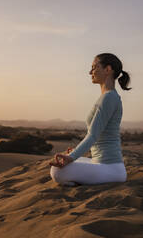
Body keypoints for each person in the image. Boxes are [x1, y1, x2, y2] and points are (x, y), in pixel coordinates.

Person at [49, 53, 132, 186]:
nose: (90, 72)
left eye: (94, 67)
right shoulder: (107, 97)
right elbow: (97, 136)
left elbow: (93, 135)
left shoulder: (109, 98)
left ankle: (77, 181)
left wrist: (71, 158)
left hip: (110, 168)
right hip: (102, 163)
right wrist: (74, 154)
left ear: (107, 69)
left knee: (56, 171)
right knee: (64, 164)